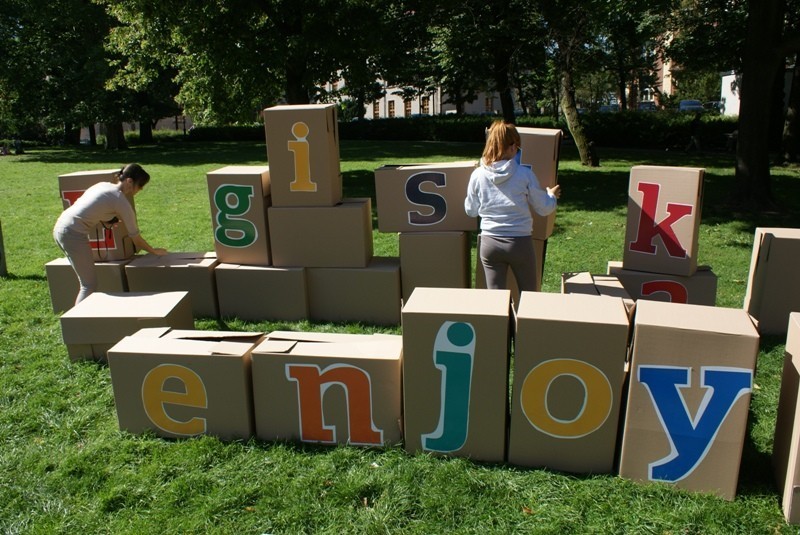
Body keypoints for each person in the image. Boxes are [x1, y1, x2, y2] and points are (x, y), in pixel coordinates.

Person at [465, 121, 561, 292]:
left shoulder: (477, 175)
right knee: (529, 296)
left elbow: (470, 210)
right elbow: (544, 208)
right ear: (511, 148)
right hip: (519, 242)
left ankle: (501, 320)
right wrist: (552, 196)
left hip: (489, 243)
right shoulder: (524, 174)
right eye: (517, 147)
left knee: (496, 301)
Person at [53, 163, 167, 305]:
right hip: (73, 235)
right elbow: (136, 239)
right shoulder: (121, 202)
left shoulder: (102, 185)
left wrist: (108, 220)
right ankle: (79, 322)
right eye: (140, 185)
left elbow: (90, 207)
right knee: (89, 285)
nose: (140, 189)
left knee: (86, 282)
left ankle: (82, 319)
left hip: (60, 227)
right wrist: (154, 251)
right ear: (130, 181)